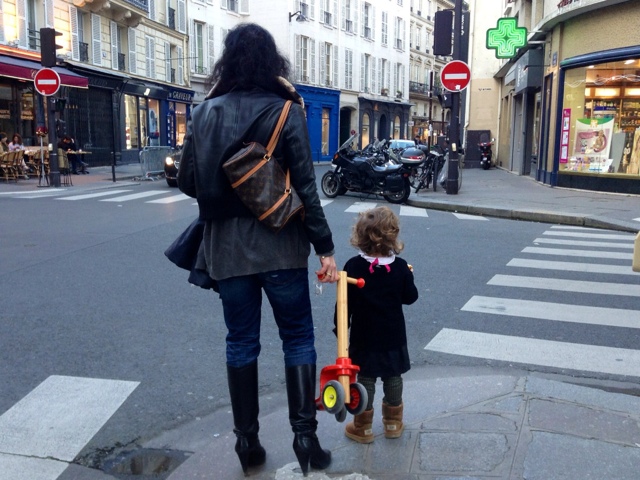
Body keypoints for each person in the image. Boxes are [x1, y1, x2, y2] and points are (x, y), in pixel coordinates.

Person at [177, 23, 337, 476]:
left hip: (226, 250)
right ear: (272, 62)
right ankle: (306, 440)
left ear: (226, 61)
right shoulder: (287, 110)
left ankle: (247, 444)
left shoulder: (204, 111)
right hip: (281, 246)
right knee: (298, 339)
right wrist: (324, 248)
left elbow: (188, 181)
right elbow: (306, 186)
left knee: (241, 341)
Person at [338, 206, 418, 444]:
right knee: (393, 377)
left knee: (366, 378)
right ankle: (393, 422)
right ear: (393, 235)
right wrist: (408, 278)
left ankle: (363, 426)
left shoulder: (353, 266)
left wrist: (338, 327)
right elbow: (410, 297)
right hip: (393, 336)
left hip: (364, 336)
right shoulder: (400, 267)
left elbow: (345, 303)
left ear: (360, 236)